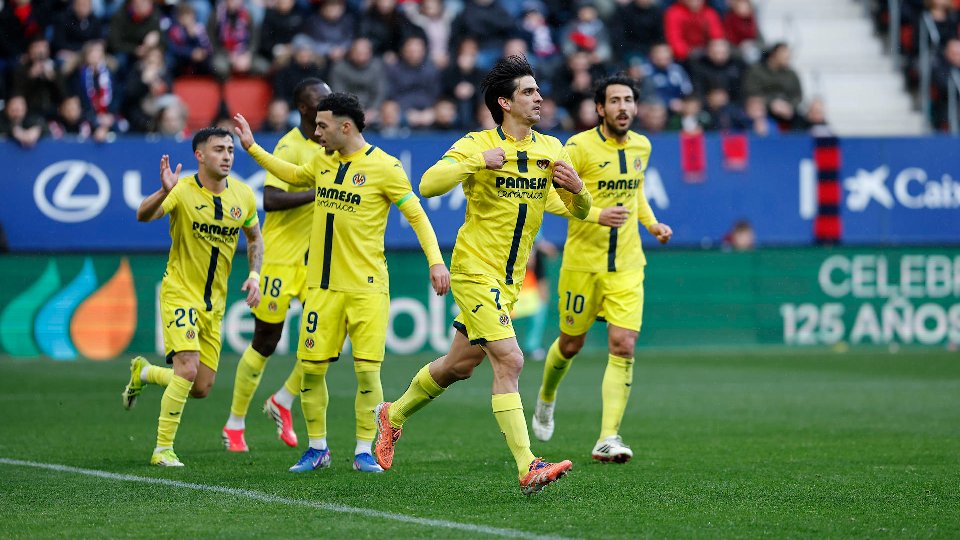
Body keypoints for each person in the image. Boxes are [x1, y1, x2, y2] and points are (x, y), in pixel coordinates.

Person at [372, 55, 593, 495]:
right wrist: (478, 163)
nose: (539, 97)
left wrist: (579, 190)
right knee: (511, 360)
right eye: (528, 92)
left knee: (460, 365)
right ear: (504, 102)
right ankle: (528, 464)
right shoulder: (477, 144)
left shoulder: (552, 150)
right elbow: (430, 184)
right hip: (474, 270)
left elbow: (579, 214)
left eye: (537, 90)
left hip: (510, 281)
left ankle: (391, 415)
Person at [233, 92, 449, 474]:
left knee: (367, 373)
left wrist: (436, 262)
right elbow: (290, 174)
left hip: (367, 290)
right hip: (320, 288)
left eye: (322, 126)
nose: (316, 133)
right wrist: (251, 148)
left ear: (345, 127)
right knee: (312, 370)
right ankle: (317, 448)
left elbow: (416, 215)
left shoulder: (385, 167)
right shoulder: (321, 160)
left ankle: (364, 449)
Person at [533, 74, 673, 464]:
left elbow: (636, 191)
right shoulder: (577, 148)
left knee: (623, 344)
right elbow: (547, 198)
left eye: (629, 100)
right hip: (583, 265)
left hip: (628, 264)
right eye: (615, 101)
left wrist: (652, 224)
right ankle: (546, 397)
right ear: (600, 108)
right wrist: (595, 214)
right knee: (570, 344)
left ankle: (607, 437)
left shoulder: (643, 146)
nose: (623, 107)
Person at [122, 127, 263, 467]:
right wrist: (162, 191)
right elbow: (143, 214)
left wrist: (255, 275)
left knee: (200, 386)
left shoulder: (243, 195)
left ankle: (144, 372)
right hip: (180, 293)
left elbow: (255, 239)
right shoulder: (182, 190)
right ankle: (162, 449)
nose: (227, 155)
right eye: (219, 149)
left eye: (230, 149)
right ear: (200, 155)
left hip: (214, 304)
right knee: (186, 370)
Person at [222, 78, 331, 453]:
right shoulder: (289, 145)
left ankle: (283, 399)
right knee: (266, 342)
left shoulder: (331, 145)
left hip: (314, 261)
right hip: (280, 260)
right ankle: (235, 423)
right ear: (304, 109)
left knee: (329, 339)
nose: (328, 108)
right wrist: (319, 192)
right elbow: (270, 198)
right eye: (321, 103)